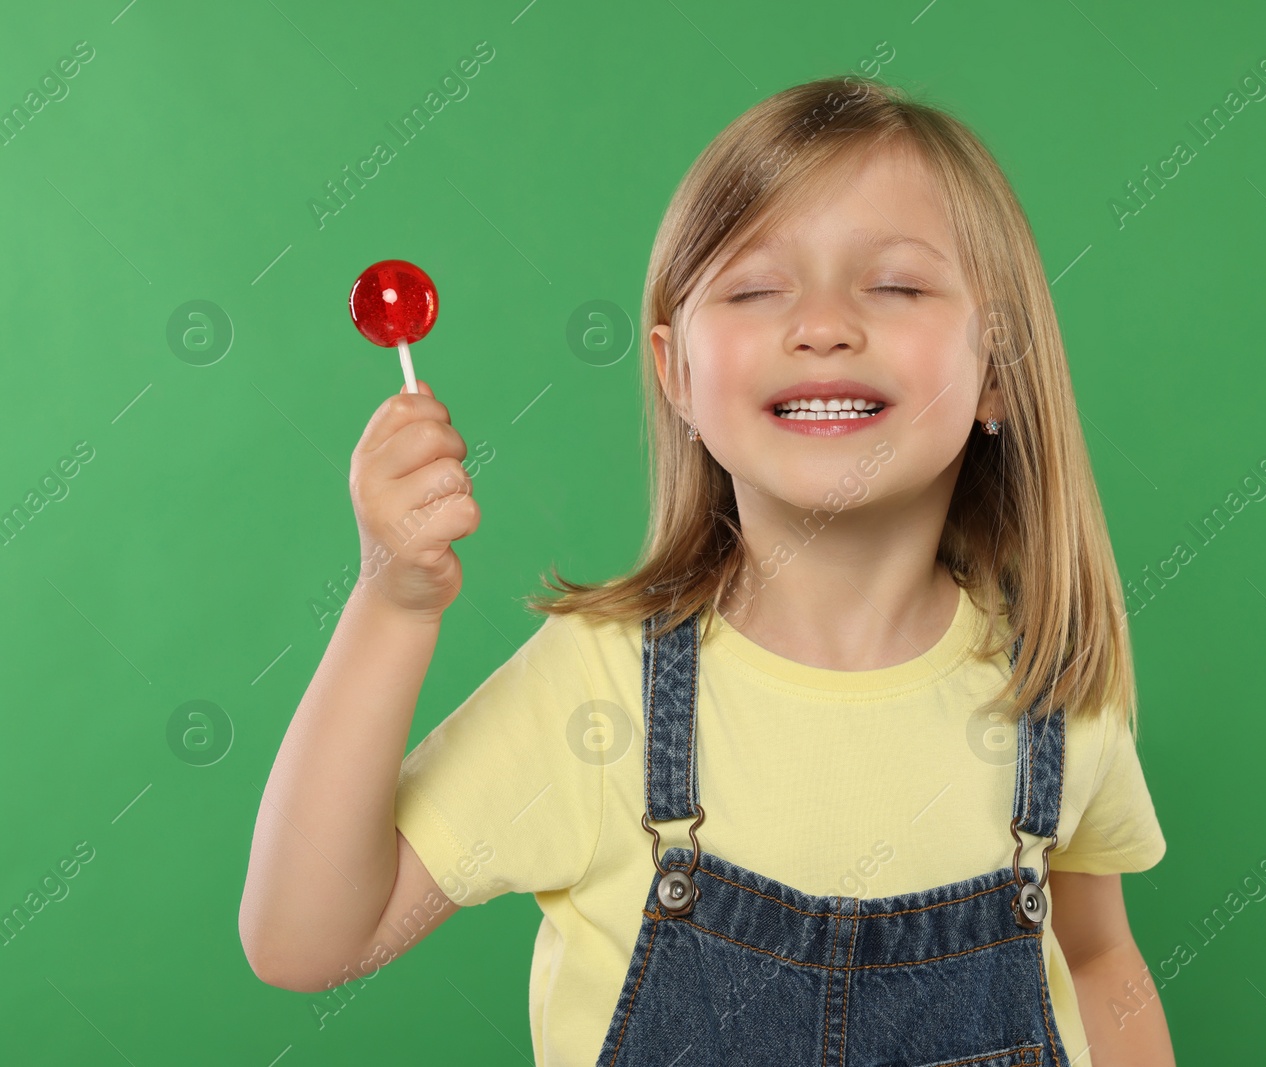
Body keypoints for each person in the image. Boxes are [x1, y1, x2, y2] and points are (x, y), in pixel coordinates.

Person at [239, 74, 1175, 1066]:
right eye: (756, 287)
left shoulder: (1053, 686)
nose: (821, 324)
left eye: (894, 284)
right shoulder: (601, 687)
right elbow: (307, 942)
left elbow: (1097, 953)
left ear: (997, 366)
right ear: (675, 373)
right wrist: (393, 602)